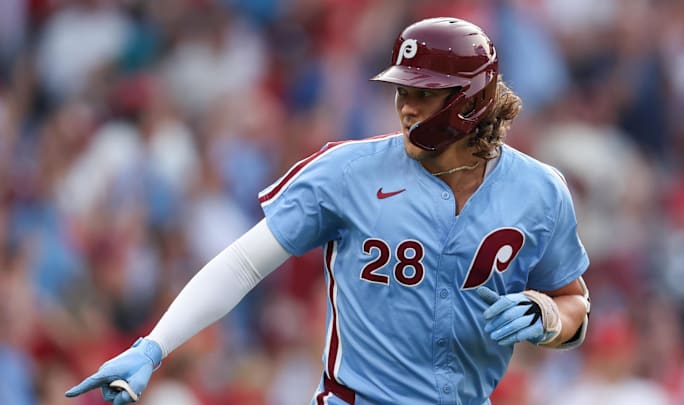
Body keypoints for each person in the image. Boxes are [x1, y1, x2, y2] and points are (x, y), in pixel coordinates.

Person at [65, 17, 591, 404]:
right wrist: (155, 346)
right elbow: (244, 263)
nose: (406, 105)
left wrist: (546, 317)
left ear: (470, 99)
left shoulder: (540, 190)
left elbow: (574, 305)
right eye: (402, 90)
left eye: (424, 93)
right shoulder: (347, 171)